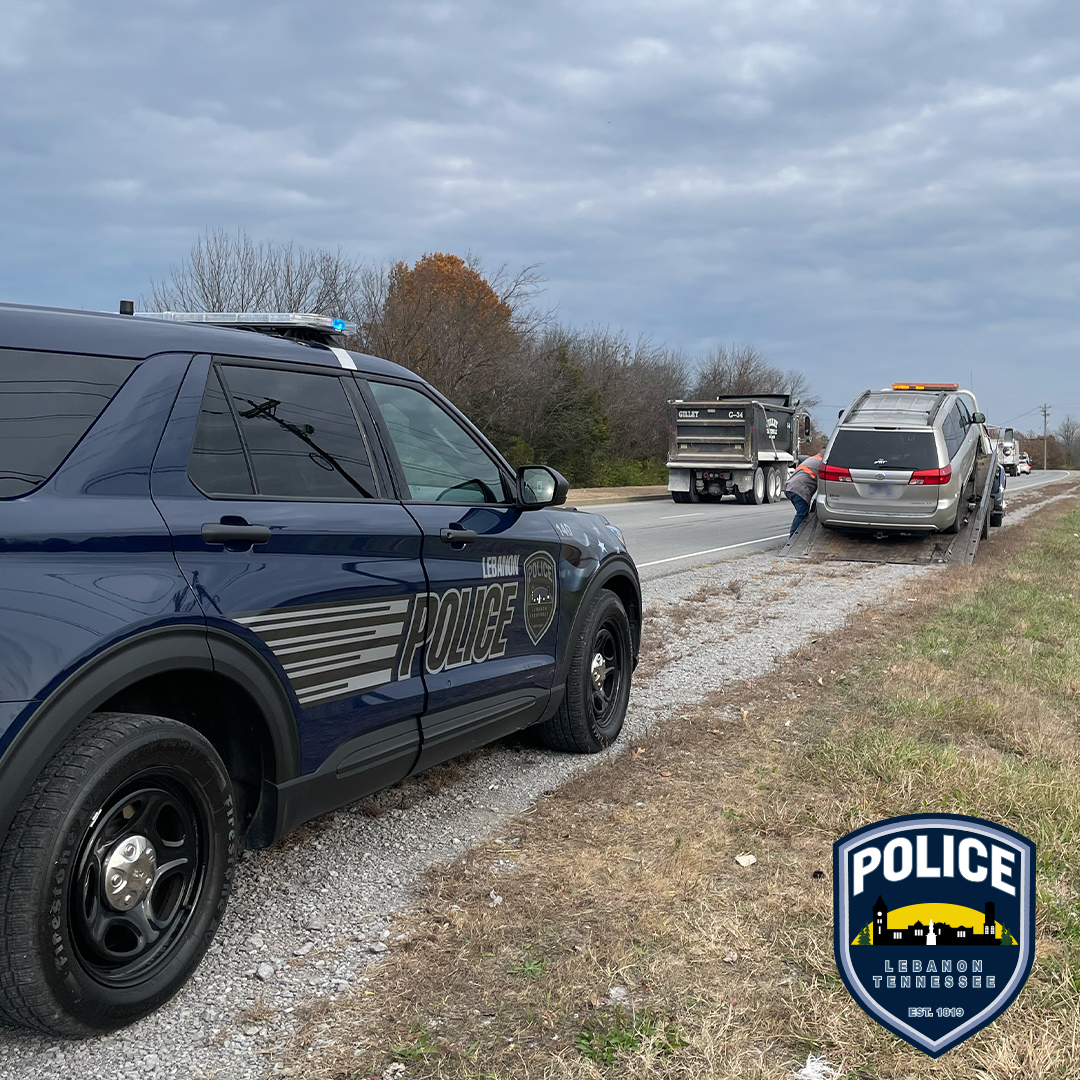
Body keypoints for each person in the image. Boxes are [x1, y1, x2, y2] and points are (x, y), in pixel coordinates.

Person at [784, 452, 823, 535]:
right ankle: (793, 535)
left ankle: (799, 532)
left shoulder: (811, 459)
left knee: (803, 512)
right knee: (802, 513)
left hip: (790, 487)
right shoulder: (822, 463)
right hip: (800, 489)